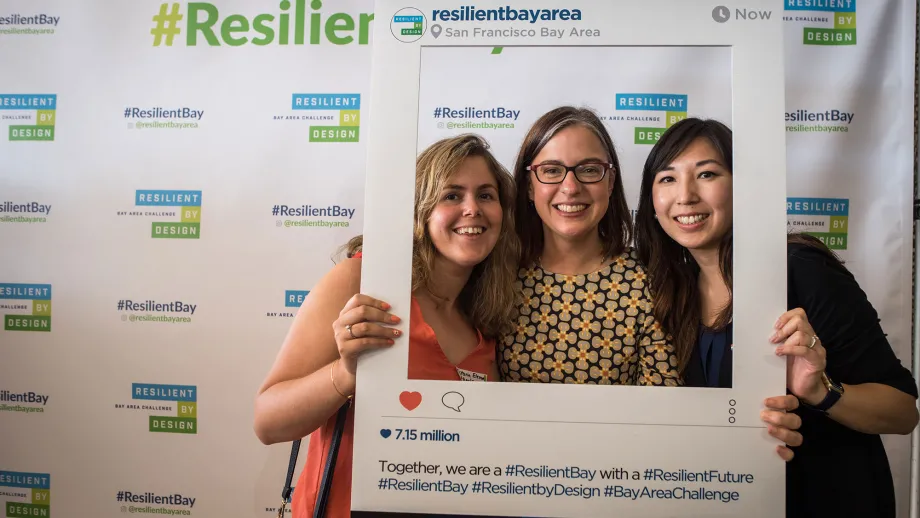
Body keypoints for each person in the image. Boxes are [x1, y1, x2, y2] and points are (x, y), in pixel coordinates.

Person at [634, 117, 920, 517]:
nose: (685, 195)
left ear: (742, 186)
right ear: (650, 200)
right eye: (667, 179)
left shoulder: (799, 269)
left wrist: (820, 391)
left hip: (826, 499)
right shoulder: (668, 295)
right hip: (733, 501)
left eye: (707, 174)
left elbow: (902, 411)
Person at [498, 105, 801, 455]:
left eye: (590, 170)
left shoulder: (653, 278)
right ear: (529, 187)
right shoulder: (497, 277)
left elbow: (665, 410)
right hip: (513, 477)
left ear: (611, 182)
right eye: (551, 171)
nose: (571, 187)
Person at [253, 134, 521, 517]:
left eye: (485, 195)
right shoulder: (361, 282)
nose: (471, 209)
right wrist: (347, 373)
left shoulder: (486, 314)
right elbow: (268, 422)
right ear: (419, 210)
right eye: (451, 195)